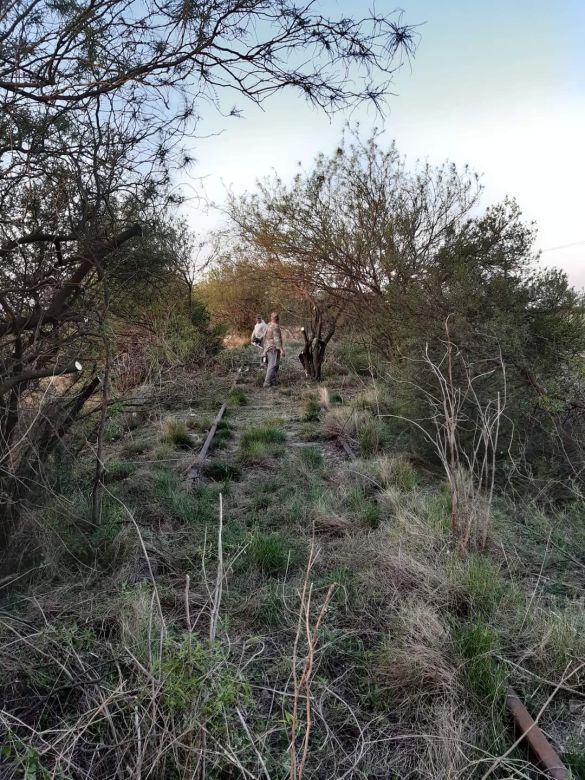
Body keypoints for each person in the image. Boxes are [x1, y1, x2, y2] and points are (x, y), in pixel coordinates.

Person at [262, 312, 285, 388]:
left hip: (267, 347)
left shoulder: (268, 325)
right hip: (273, 348)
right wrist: (281, 350)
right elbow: (277, 339)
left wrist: (264, 349)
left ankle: (273, 381)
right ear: (277, 318)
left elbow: (264, 337)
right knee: (272, 365)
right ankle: (267, 383)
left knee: (273, 365)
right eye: (277, 318)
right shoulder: (275, 326)